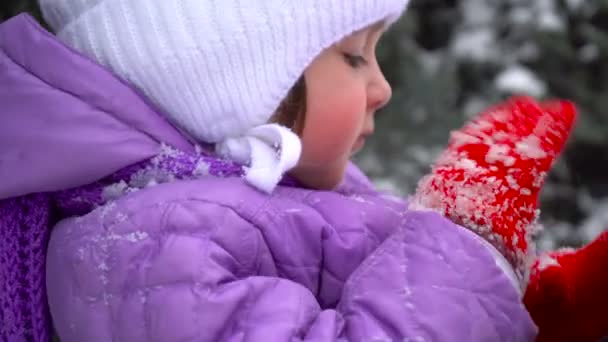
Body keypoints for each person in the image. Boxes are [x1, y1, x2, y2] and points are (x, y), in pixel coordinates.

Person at [0, 1, 540, 341]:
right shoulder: (147, 250)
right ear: (223, 85)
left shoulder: (266, 198)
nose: (382, 88)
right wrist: (468, 240)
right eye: (354, 57)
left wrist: (550, 306)